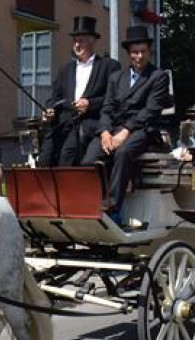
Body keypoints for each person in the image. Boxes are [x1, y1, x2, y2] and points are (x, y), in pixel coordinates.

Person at [94, 25, 173, 221]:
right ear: (129, 53)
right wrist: (104, 132)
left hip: (143, 130)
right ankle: (90, 202)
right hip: (114, 130)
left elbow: (150, 111)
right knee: (89, 157)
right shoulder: (116, 78)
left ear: (149, 51)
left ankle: (113, 208)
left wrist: (124, 132)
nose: (139, 56)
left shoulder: (158, 76)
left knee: (123, 152)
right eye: (135, 52)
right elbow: (107, 109)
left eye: (143, 52)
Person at [39, 16, 120, 166]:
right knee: (46, 157)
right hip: (65, 123)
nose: (77, 45)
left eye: (81, 40)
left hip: (92, 124)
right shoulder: (66, 70)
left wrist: (90, 104)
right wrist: (49, 109)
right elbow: (54, 96)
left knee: (68, 157)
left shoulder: (108, 66)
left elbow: (114, 99)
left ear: (92, 41)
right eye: (75, 41)